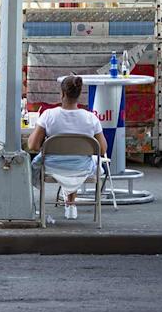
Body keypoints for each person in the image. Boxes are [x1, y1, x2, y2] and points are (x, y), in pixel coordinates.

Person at [26, 75, 107, 220]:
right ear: (79, 95)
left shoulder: (49, 115)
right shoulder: (91, 118)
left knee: (62, 160)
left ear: (62, 94)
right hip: (82, 168)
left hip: (53, 167)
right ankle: (70, 204)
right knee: (76, 160)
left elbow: (32, 145)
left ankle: (67, 203)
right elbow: (102, 149)